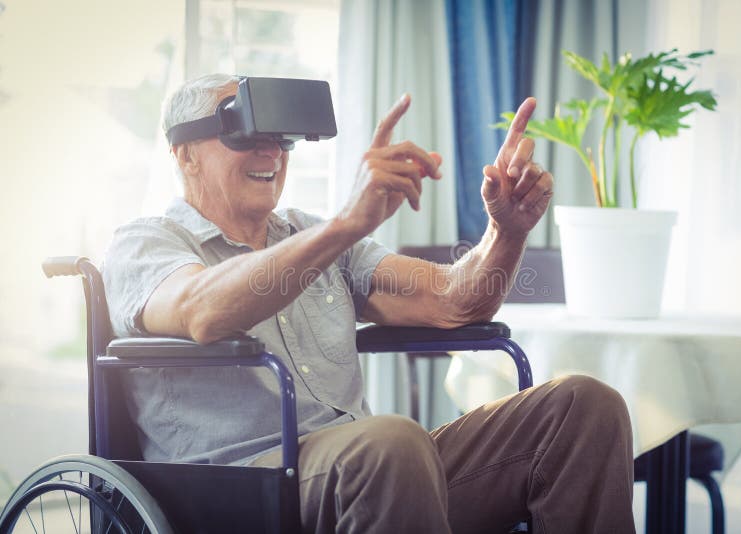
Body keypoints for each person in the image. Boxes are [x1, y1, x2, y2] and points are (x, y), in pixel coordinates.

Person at [103, 73, 635, 533]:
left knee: (583, 406)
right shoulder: (146, 242)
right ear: (184, 154)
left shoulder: (312, 234)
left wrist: (506, 231)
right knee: (390, 443)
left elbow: (453, 301)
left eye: (281, 137)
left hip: (372, 468)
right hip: (240, 485)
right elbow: (202, 309)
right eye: (244, 135)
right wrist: (344, 225)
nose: (271, 152)